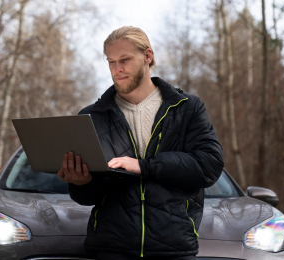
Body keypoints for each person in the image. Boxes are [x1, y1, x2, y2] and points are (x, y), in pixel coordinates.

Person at [57, 26, 224, 260]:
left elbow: (209, 166)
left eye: (125, 59)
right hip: (110, 249)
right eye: (111, 61)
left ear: (148, 56)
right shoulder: (91, 116)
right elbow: (87, 198)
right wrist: (81, 183)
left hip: (174, 248)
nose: (117, 69)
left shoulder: (187, 108)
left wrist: (145, 166)